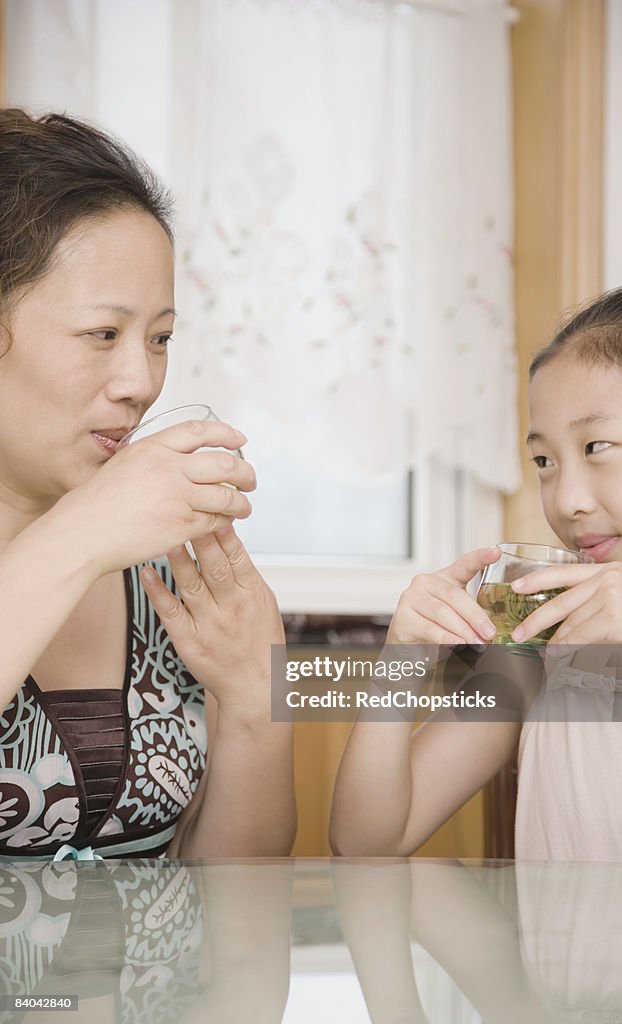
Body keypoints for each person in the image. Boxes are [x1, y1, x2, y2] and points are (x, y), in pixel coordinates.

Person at [0, 108, 296, 859]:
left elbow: (233, 913)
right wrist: (81, 533)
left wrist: (255, 705)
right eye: (103, 334)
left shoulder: (166, 573)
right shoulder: (103, 533)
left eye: (159, 339)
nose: (140, 382)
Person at [330, 277, 622, 863]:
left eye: (596, 447)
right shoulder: (543, 639)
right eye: (544, 460)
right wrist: (402, 663)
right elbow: (368, 840)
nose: (567, 499)